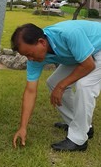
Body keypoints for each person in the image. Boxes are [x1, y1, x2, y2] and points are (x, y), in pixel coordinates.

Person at [11, 21, 101, 152]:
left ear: (42, 42)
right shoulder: (34, 59)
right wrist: (23, 127)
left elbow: (88, 65)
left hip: (98, 49)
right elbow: (30, 92)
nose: (29, 59)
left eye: (30, 54)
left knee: (85, 85)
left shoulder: (68, 34)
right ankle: (80, 125)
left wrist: (62, 86)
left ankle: (79, 140)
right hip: (83, 54)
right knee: (53, 82)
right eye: (26, 56)